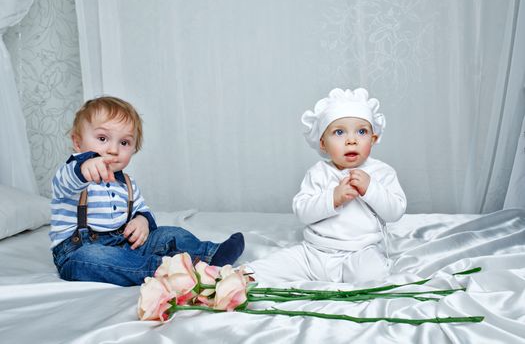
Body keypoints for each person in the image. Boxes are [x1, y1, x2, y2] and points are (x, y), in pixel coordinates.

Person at [50, 96, 245, 286]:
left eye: (124, 142)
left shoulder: (126, 183)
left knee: (171, 233)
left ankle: (210, 254)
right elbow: (68, 181)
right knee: (93, 257)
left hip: (125, 244)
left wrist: (142, 220)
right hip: (77, 252)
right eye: (102, 138)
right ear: (77, 142)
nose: (113, 149)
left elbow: (142, 209)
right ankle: (164, 269)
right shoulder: (70, 174)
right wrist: (84, 168)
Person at [249, 87, 406, 285]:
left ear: (373, 139)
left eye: (362, 131)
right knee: (267, 268)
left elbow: (395, 212)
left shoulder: (382, 172)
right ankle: (228, 280)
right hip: (315, 252)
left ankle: (356, 284)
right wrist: (333, 198)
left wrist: (371, 188)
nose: (351, 140)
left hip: (360, 252)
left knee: (371, 275)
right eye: (339, 132)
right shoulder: (318, 172)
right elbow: (302, 212)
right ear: (322, 143)